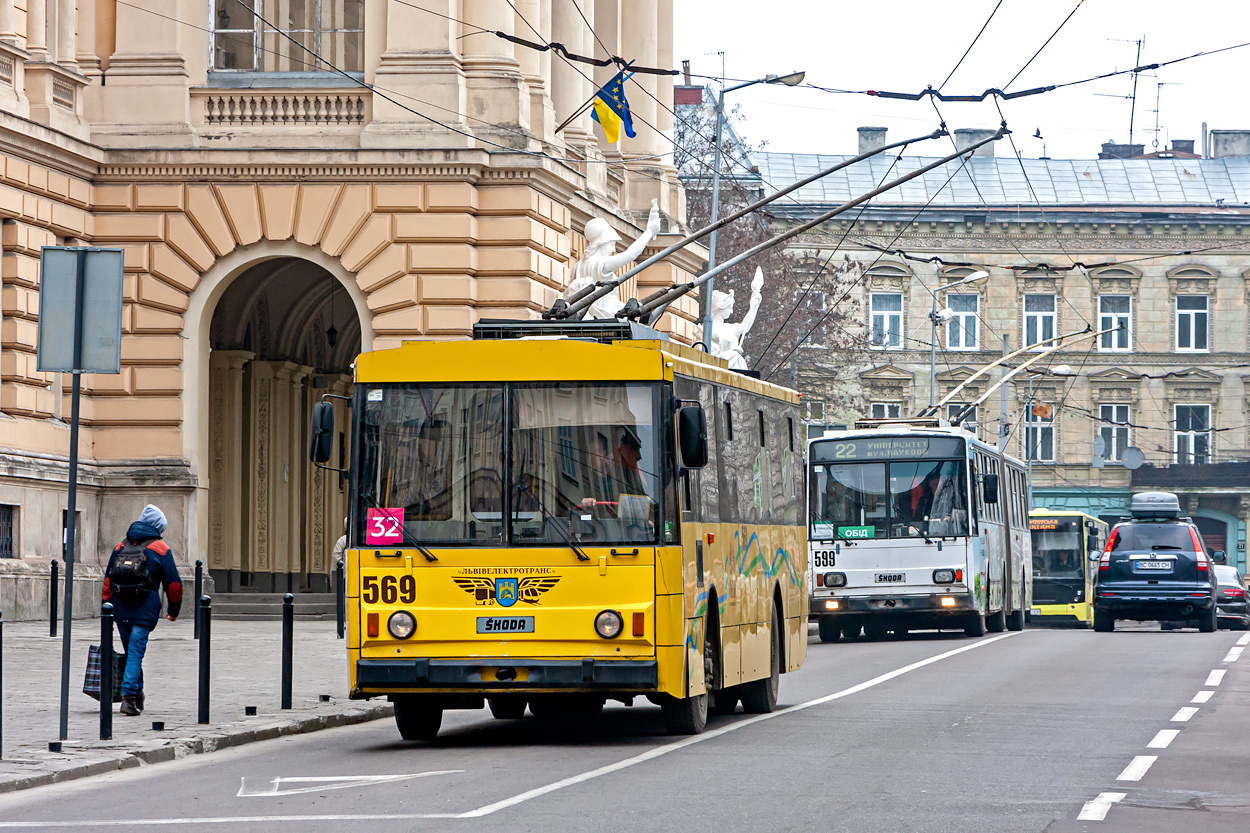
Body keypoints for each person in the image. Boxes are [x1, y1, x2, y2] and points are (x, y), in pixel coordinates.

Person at [102, 505, 183, 716]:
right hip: (144, 609)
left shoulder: (120, 546)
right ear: (159, 527)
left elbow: (108, 581)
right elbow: (174, 585)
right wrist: (173, 611)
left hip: (120, 609)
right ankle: (128, 697)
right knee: (136, 653)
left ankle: (138, 694)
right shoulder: (160, 549)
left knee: (131, 652)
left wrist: (106, 612)